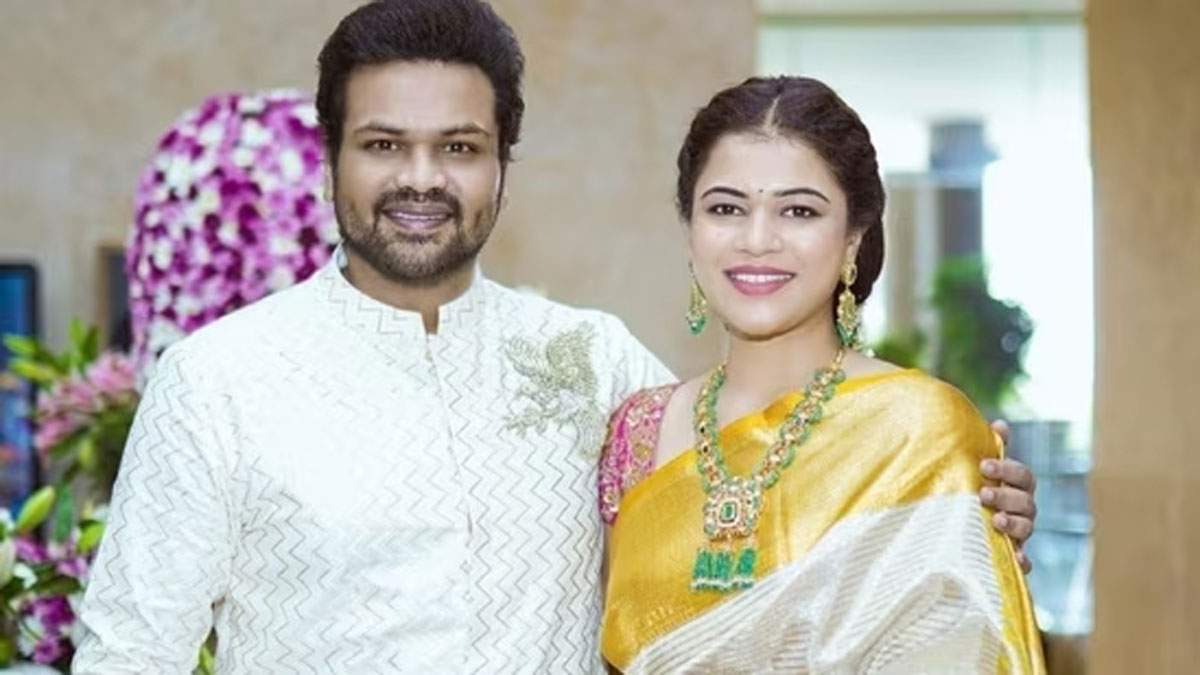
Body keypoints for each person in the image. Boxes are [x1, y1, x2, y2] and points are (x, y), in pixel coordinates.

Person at [74, 2, 1039, 672]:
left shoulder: (589, 359)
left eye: (460, 146)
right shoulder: (219, 380)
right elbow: (128, 656)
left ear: (503, 163)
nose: (422, 179)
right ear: (331, 159)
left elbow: (767, 505)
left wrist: (959, 510)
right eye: (383, 145)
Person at [599, 75, 1045, 673]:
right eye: (726, 208)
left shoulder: (920, 431)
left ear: (853, 238)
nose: (757, 240)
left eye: (799, 211)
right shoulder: (639, 431)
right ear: (689, 232)